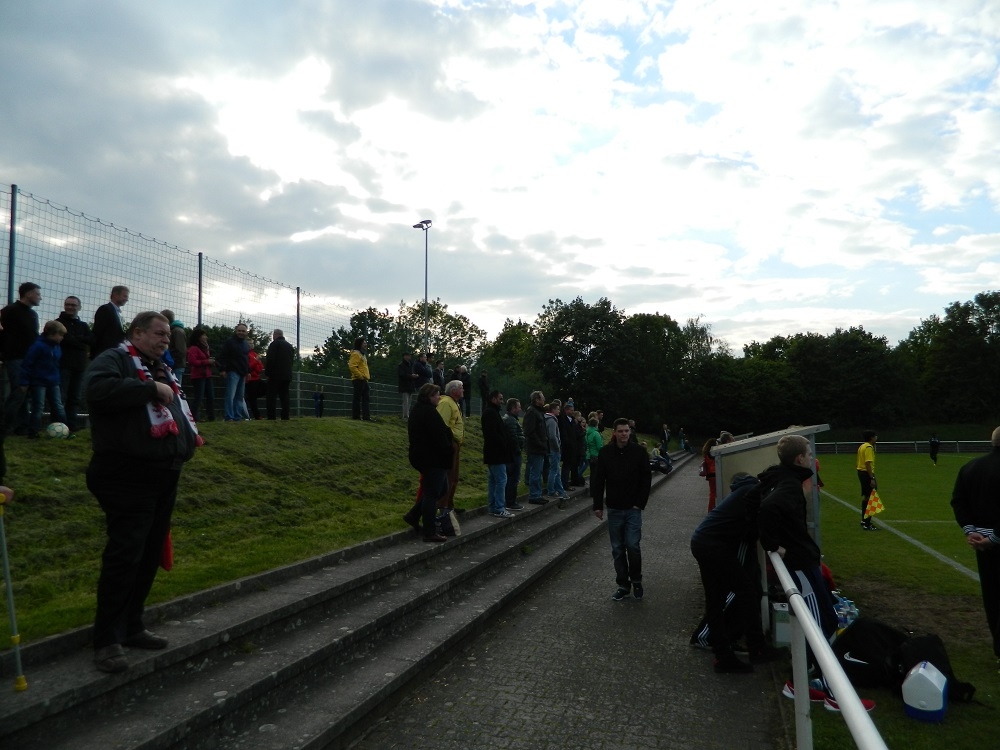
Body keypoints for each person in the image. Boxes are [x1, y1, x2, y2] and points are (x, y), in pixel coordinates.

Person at [85, 311, 202, 673]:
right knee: (126, 554)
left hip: (163, 475)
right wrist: (149, 389)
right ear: (136, 333)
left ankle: (132, 625)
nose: (166, 339)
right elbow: (96, 390)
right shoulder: (115, 359)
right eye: (159, 333)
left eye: (168, 334)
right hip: (126, 475)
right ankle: (107, 638)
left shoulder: (159, 367)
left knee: (150, 552)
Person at [757, 434, 875, 712]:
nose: (812, 459)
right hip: (800, 568)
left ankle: (799, 682)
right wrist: (773, 545)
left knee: (829, 621)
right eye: (809, 455)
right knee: (819, 628)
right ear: (800, 458)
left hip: (806, 564)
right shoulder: (788, 486)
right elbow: (767, 508)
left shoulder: (786, 478)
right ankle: (836, 696)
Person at [691, 473, 784, 673]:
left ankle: (724, 656)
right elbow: (753, 529)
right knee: (747, 592)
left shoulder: (747, 491)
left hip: (704, 542)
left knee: (716, 601)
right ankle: (756, 649)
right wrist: (774, 544)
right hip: (713, 546)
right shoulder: (753, 494)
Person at [951, 426, 1000, 663]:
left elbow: (958, 501)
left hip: (981, 543)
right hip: (993, 540)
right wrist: (995, 538)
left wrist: (971, 531)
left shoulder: (970, 467)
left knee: (992, 596)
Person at [592, 418, 652, 601]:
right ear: (615, 433)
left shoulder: (639, 452)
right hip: (614, 508)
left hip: (633, 508)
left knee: (632, 545)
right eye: (620, 431)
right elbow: (598, 480)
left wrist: (639, 503)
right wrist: (597, 505)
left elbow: (646, 479)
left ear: (630, 432)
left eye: (626, 431)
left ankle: (636, 580)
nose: (624, 434)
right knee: (617, 548)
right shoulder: (605, 453)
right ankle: (623, 584)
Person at [404, 383, 452, 543]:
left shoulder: (419, 410)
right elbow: (439, 436)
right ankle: (429, 531)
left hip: (424, 456)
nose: (439, 397)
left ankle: (413, 514)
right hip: (432, 458)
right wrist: (447, 447)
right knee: (432, 493)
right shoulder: (428, 412)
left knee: (441, 488)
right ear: (429, 396)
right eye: (437, 395)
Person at [1, 281, 41, 435]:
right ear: (28, 294)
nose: (40, 297)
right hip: (15, 357)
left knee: (25, 394)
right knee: (19, 391)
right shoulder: (10, 311)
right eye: (37, 294)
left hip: (29, 359)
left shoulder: (32, 314)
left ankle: (21, 426)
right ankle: (5, 425)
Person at [20, 320, 69, 438]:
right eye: (60, 335)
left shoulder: (57, 347)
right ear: (52, 334)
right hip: (39, 382)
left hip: (53, 381)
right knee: (38, 407)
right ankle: (33, 432)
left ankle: (65, 430)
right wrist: (24, 382)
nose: (62, 338)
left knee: (58, 405)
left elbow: (56, 364)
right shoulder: (38, 346)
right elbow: (27, 364)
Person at [57, 295, 93, 433]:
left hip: (79, 366)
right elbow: (66, 340)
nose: (70, 307)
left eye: (73, 305)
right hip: (63, 365)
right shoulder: (58, 323)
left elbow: (91, 340)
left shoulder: (83, 325)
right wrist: (81, 341)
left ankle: (71, 426)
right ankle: (59, 425)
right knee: (61, 397)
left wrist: (75, 340)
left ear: (79, 307)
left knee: (75, 398)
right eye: (68, 304)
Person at [482, 390, 515, 518]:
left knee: (494, 481)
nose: (502, 401)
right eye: (500, 399)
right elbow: (492, 433)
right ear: (493, 399)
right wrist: (503, 442)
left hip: (494, 452)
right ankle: (499, 507)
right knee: (501, 480)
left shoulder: (492, 412)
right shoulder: (490, 413)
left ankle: (493, 506)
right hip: (496, 453)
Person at [437, 380, 464, 510]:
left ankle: (449, 504)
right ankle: (443, 506)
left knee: (454, 477)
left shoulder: (454, 403)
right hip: (450, 443)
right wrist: (449, 443)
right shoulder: (446, 403)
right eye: (461, 388)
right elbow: (442, 425)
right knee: (449, 477)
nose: (463, 390)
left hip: (455, 443)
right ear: (454, 390)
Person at [219, 323, 250, 422]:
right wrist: (223, 369)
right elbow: (223, 356)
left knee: (239, 397)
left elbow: (246, 359)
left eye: (243, 331)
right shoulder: (230, 342)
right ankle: (229, 416)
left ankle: (237, 416)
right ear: (236, 331)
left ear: (246, 332)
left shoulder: (246, 344)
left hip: (242, 373)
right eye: (239, 331)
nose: (241, 333)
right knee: (230, 395)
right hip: (232, 371)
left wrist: (248, 371)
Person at [522, 390, 549, 505]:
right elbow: (529, 431)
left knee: (538, 472)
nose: (544, 400)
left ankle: (537, 494)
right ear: (537, 400)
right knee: (535, 472)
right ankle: (534, 495)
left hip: (539, 447)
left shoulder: (538, 412)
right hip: (535, 448)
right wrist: (540, 443)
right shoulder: (532, 412)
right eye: (542, 398)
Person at [186, 328, 215, 422]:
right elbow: (192, 361)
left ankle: (210, 417)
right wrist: (207, 362)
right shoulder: (194, 348)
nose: (206, 337)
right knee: (199, 397)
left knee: (210, 396)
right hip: (198, 376)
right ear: (199, 337)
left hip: (206, 375)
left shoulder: (205, 348)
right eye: (204, 335)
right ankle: (194, 417)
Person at [91, 285, 129, 357]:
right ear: (115, 295)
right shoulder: (105, 309)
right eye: (125, 296)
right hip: (104, 353)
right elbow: (97, 333)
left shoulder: (117, 313)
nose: (127, 299)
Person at [265, 329, 295, 420]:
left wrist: (268, 372)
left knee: (271, 396)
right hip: (287, 375)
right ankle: (285, 415)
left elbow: (270, 359)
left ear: (275, 335)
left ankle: (271, 416)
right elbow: (291, 361)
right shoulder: (289, 346)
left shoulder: (274, 344)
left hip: (275, 375)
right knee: (285, 396)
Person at [502, 397, 525, 511]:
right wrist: (518, 450)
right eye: (518, 407)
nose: (520, 409)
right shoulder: (511, 420)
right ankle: (511, 502)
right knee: (513, 478)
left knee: (512, 478)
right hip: (513, 454)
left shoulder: (511, 419)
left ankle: (510, 501)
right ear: (513, 408)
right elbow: (513, 437)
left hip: (511, 453)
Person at [545, 400, 567, 506]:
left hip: (552, 449)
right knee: (554, 470)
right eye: (558, 409)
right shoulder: (552, 420)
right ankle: (551, 490)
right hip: (554, 449)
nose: (559, 411)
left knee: (557, 470)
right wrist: (557, 447)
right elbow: (552, 436)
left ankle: (560, 490)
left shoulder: (549, 419)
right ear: (553, 410)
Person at [856, 430, 878, 530]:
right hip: (866, 473)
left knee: (867, 496)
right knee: (872, 498)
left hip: (861, 472)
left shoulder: (862, 446)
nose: (876, 438)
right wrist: (871, 478)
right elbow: (868, 463)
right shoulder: (869, 447)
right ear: (871, 437)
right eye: (875, 436)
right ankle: (867, 524)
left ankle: (864, 520)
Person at [349, 337, 373, 421]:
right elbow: (352, 366)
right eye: (364, 343)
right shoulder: (356, 354)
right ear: (360, 344)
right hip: (358, 379)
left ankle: (366, 417)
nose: (366, 344)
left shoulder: (362, 354)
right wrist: (360, 376)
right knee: (357, 398)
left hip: (364, 379)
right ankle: (356, 416)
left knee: (366, 398)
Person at [161, 310, 187, 383]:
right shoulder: (175, 330)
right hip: (175, 364)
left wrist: (171, 361)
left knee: (175, 386)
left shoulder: (176, 331)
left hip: (176, 365)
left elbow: (180, 350)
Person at [245, 342, 265, 420]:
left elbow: (260, 367)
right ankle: (257, 416)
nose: (251, 345)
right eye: (249, 343)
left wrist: (257, 364)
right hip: (250, 379)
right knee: (253, 399)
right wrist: (256, 361)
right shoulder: (247, 354)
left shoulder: (254, 354)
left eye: (252, 343)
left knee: (266, 389)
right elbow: (249, 366)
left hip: (256, 378)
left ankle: (248, 398)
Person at [397, 352, 418, 418]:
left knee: (409, 402)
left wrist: (413, 376)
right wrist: (411, 376)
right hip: (404, 385)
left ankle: (407, 415)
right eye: (408, 355)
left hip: (410, 385)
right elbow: (402, 375)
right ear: (405, 356)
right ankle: (405, 416)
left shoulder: (411, 364)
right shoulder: (401, 365)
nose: (410, 357)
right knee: (405, 401)